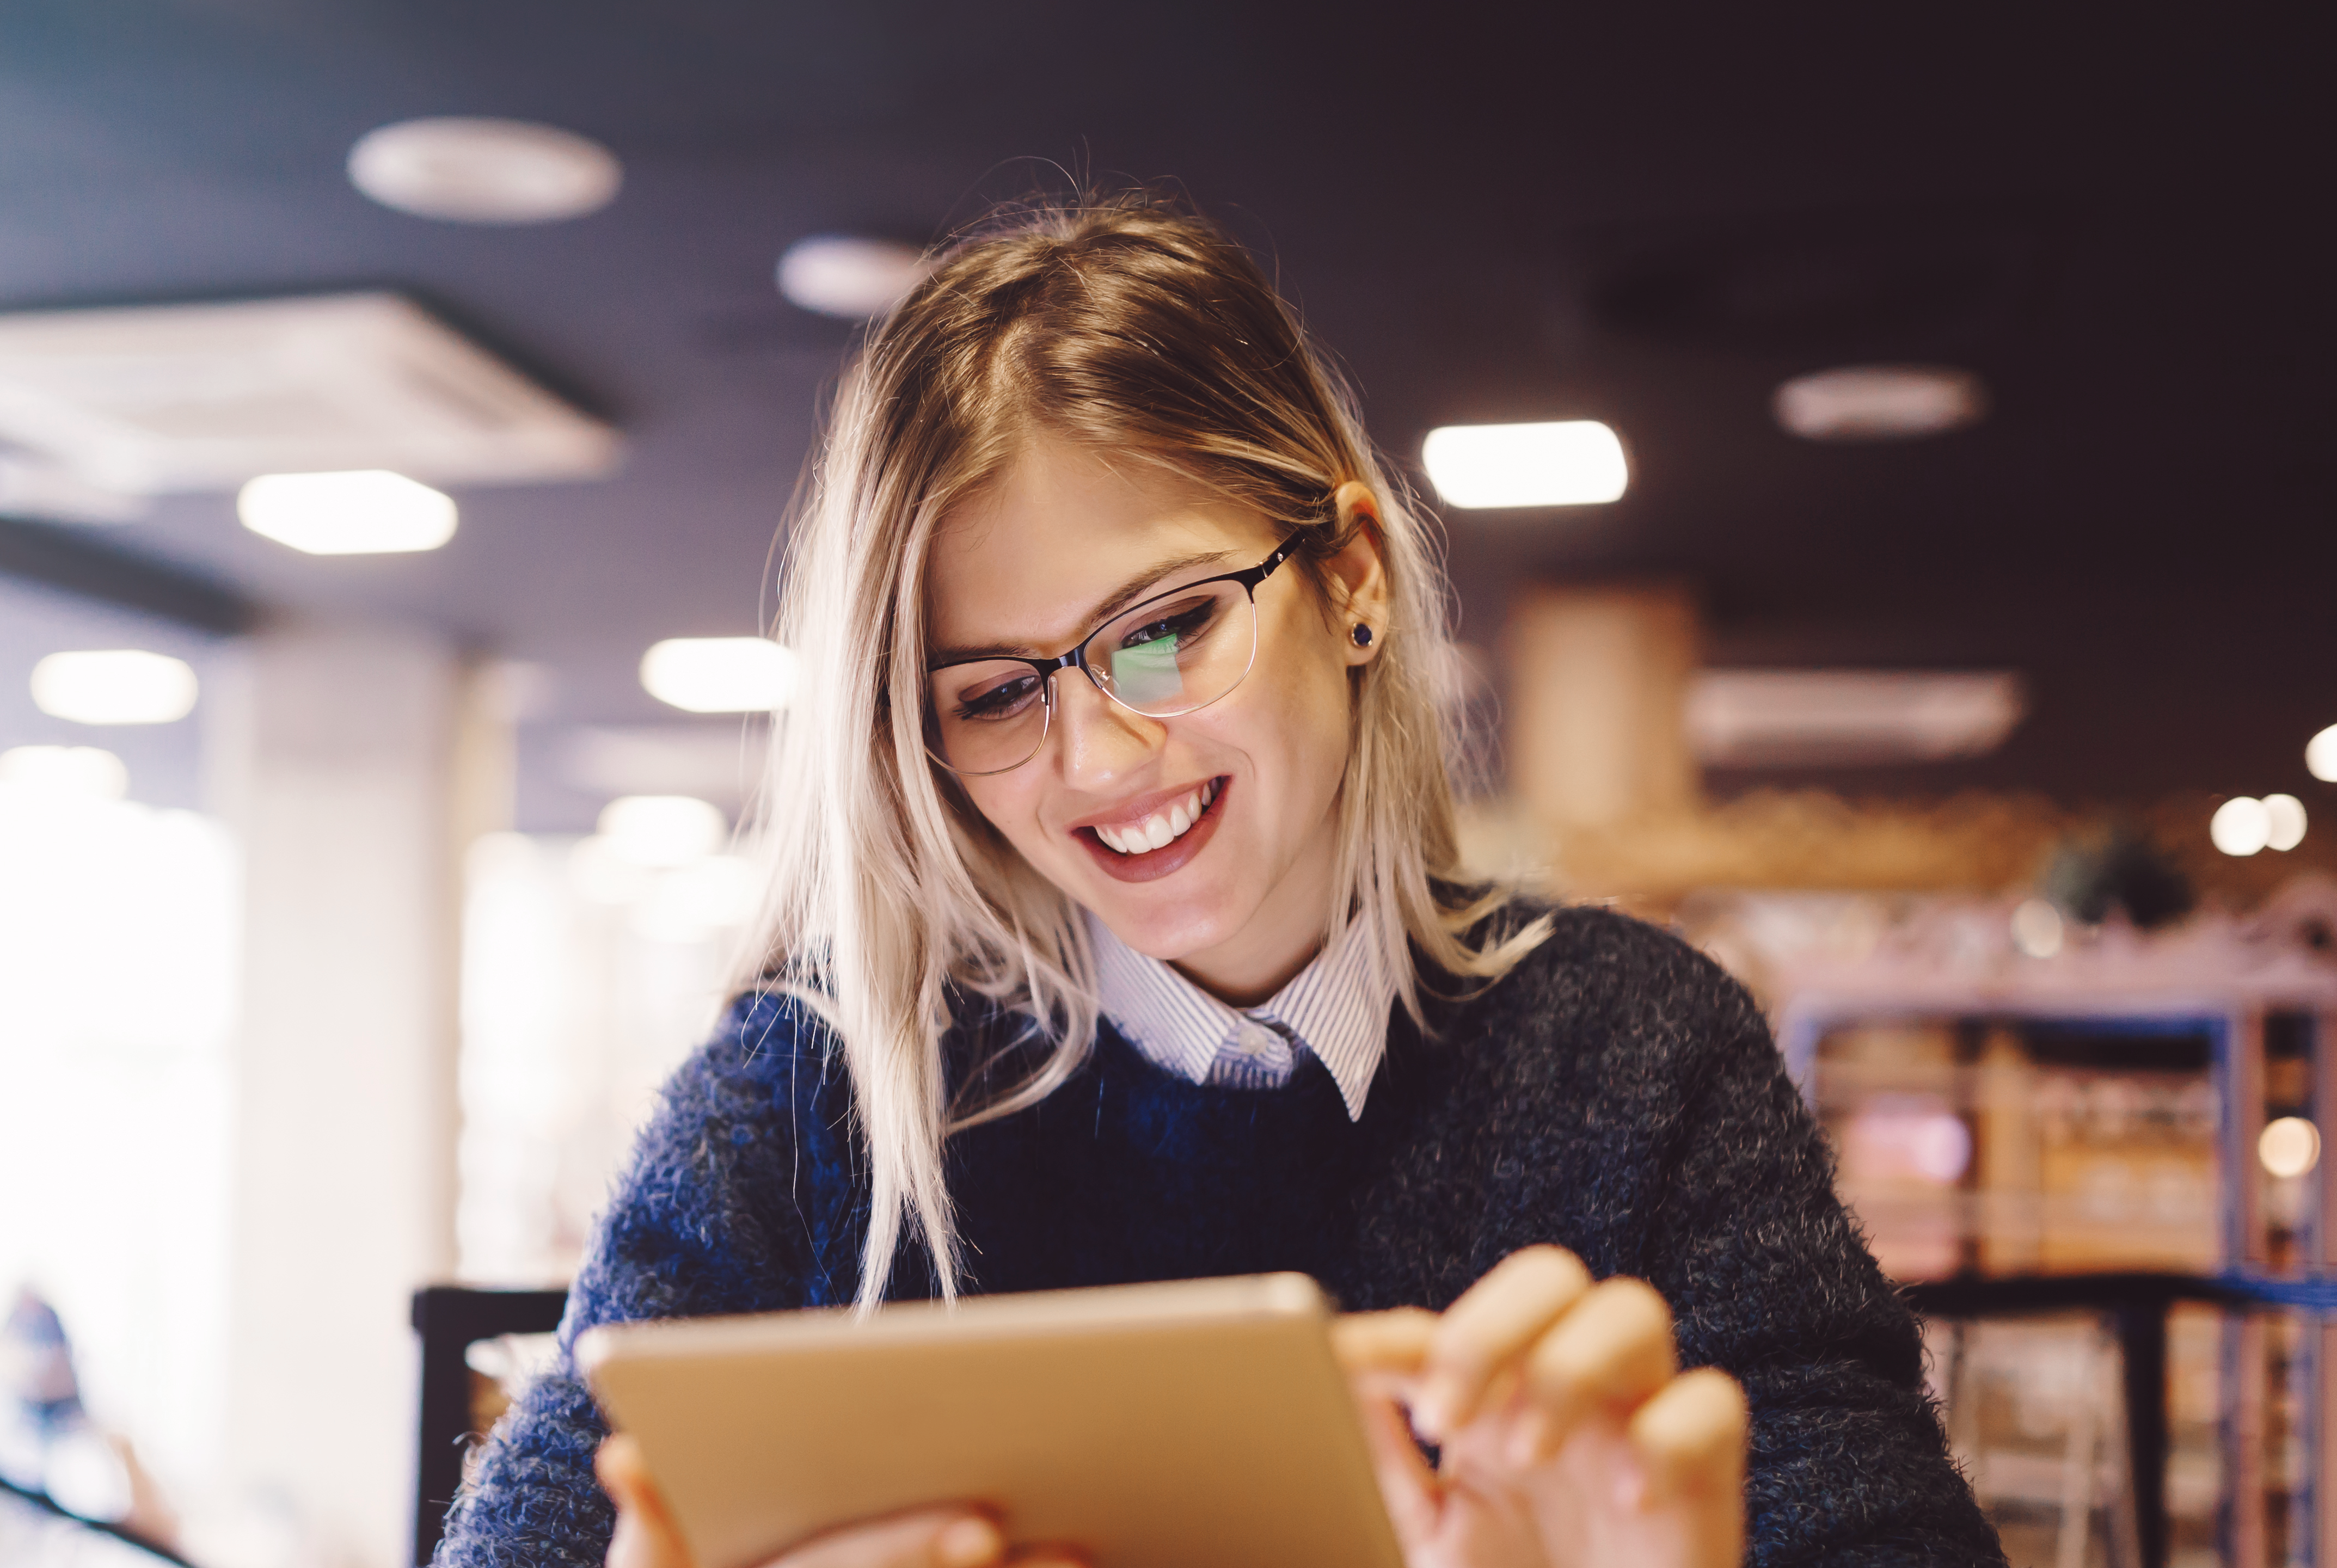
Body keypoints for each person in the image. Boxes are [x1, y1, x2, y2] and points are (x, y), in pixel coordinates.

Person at [439, 192, 2000, 1568]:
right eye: (992, 693)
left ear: (1353, 580)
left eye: (1165, 627)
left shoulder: (1632, 1051)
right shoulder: (815, 1090)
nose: (1101, 760)